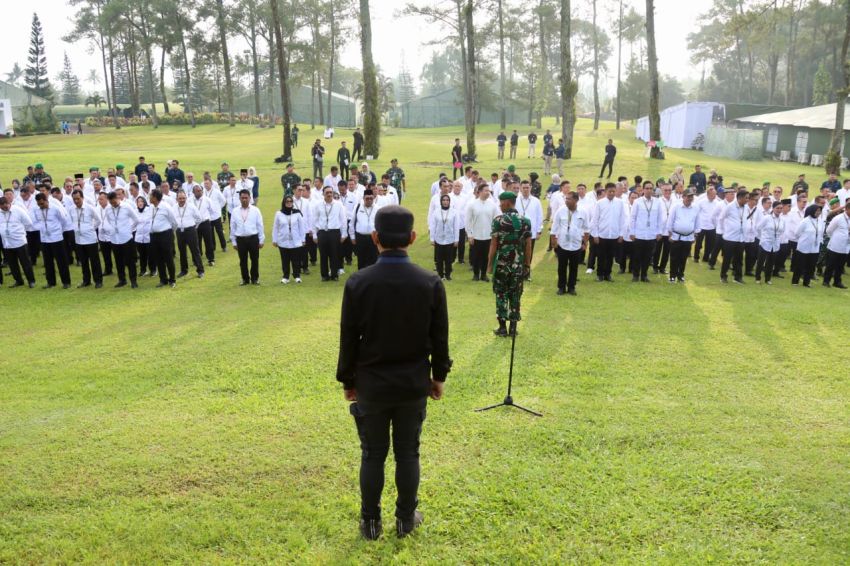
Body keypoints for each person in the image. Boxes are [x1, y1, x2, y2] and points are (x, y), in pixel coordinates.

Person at [336, 204, 450, 541]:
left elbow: (348, 337)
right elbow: (439, 337)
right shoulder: (430, 282)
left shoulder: (358, 282)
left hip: (371, 384)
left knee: (372, 454)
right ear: (413, 238)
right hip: (413, 383)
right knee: (407, 453)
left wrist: (348, 381)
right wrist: (439, 376)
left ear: (374, 238)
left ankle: (370, 522)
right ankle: (405, 519)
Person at [488, 191, 532, 337]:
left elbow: (493, 246)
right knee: (515, 295)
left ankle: (502, 328)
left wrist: (489, 265)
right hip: (518, 266)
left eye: (501, 202)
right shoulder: (525, 221)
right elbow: (528, 246)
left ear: (507, 202)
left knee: (501, 294)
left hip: (501, 265)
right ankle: (513, 328)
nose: (500, 205)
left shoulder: (498, 221)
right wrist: (527, 265)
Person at [550, 190, 589, 296]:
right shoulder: (561, 211)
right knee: (561, 267)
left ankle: (571, 287)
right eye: (566, 199)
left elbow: (586, 229)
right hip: (562, 244)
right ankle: (561, 287)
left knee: (574, 267)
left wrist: (585, 243)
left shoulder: (583, 212)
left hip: (576, 245)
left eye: (569, 199)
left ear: (576, 200)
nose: (566, 201)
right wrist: (554, 242)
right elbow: (554, 228)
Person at [33, 193, 72, 289]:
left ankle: (66, 282)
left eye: (42, 203)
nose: (40, 206)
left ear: (46, 200)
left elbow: (64, 220)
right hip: (44, 239)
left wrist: (57, 230)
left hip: (56, 238)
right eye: (39, 204)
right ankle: (51, 282)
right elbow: (35, 222)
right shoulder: (36, 210)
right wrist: (42, 229)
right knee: (47, 262)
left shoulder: (55, 208)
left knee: (61, 261)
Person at [628, 181, 664, 282]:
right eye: (647, 188)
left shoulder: (658, 202)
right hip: (639, 234)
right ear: (643, 190)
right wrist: (632, 232)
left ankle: (644, 275)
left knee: (648, 257)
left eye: (650, 188)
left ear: (653, 190)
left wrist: (659, 232)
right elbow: (633, 218)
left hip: (651, 234)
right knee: (637, 256)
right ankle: (636, 275)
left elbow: (660, 218)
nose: (649, 190)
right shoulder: (637, 201)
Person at [590, 182, 626, 282]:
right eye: (609, 191)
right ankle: (600, 274)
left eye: (613, 191)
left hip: (614, 235)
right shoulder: (600, 203)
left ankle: (608, 274)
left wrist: (621, 234)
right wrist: (595, 235)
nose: (611, 193)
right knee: (601, 256)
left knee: (611, 257)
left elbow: (622, 219)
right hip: (602, 234)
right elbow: (595, 220)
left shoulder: (620, 203)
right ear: (605, 191)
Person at [312, 186, 348, 282]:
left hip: (334, 232)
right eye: (327, 192)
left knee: (334, 254)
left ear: (333, 193)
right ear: (323, 193)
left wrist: (344, 234)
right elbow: (314, 220)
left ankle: (334, 274)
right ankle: (324, 275)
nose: (329, 194)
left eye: (330, 192)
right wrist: (315, 234)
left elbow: (343, 220)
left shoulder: (339, 205)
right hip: (322, 232)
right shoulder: (318, 205)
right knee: (323, 255)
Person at [69, 189, 103, 288]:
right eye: (74, 199)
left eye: (78, 199)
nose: (76, 201)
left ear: (82, 198)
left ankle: (98, 281)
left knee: (94, 261)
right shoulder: (71, 209)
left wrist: (91, 228)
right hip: (79, 240)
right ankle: (86, 280)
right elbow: (71, 221)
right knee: (83, 262)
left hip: (90, 239)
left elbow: (98, 220)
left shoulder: (89, 208)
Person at [0, 196, 36, 288]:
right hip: (7, 243)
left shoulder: (18, 210)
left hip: (19, 242)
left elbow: (28, 223)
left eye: (6, 205)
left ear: (9, 203)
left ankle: (31, 281)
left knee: (25, 263)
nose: (5, 207)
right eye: (2, 206)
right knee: (13, 264)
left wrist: (20, 232)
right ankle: (18, 281)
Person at [106, 191, 140, 288]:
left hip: (126, 238)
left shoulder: (126, 207)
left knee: (130, 261)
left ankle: (133, 281)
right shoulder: (108, 209)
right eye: (111, 203)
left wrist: (129, 229)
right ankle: (122, 280)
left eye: (114, 202)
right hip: (114, 239)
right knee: (118, 261)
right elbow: (109, 220)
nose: (113, 204)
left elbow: (136, 219)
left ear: (118, 198)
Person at [231, 189, 264, 285]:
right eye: (242, 198)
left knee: (254, 259)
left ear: (250, 198)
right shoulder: (235, 211)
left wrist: (261, 239)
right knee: (243, 260)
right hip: (240, 239)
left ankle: (255, 278)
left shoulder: (255, 210)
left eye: (246, 198)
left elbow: (260, 225)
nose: (244, 200)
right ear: (239, 198)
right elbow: (232, 227)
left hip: (253, 238)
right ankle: (245, 279)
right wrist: (233, 241)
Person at [466, 185, 499, 282]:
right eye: (485, 190)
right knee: (475, 257)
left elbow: (496, 219)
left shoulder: (492, 205)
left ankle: (484, 274)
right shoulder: (472, 205)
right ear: (479, 192)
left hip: (488, 236)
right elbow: (468, 221)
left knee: (486, 256)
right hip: (476, 236)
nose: (488, 192)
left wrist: (495, 233)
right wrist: (470, 234)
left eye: (488, 191)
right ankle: (476, 274)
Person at [666, 189, 700, 283]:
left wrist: (695, 235)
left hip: (688, 237)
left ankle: (680, 275)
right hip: (676, 236)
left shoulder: (695, 208)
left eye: (691, 196)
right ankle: (672, 275)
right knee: (674, 257)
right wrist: (670, 235)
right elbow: (670, 221)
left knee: (684, 257)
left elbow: (697, 222)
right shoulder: (676, 206)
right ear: (683, 197)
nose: (690, 198)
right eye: (688, 196)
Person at [148, 189, 179, 288]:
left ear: (155, 197)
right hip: (154, 236)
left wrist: (169, 233)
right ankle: (163, 279)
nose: (149, 197)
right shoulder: (152, 207)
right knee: (158, 259)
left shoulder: (166, 207)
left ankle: (172, 279)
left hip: (165, 235)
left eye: (151, 196)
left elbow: (174, 222)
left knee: (168, 258)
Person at [272, 195, 306, 284]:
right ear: (284, 203)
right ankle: (285, 276)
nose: (289, 203)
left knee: (296, 260)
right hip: (283, 241)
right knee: (285, 260)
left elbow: (302, 227)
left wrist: (303, 239)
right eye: (287, 201)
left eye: (291, 201)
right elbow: (275, 227)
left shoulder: (297, 213)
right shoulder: (279, 214)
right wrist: (274, 240)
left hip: (296, 241)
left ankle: (297, 275)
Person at [721, 189, 749, 284]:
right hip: (730, 238)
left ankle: (738, 277)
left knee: (739, 259)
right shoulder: (730, 206)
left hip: (741, 238)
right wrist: (723, 231)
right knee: (727, 259)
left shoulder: (746, 207)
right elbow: (721, 218)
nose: (747, 200)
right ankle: (723, 276)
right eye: (746, 198)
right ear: (740, 198)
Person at [516, 180, 543, 281]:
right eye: (524, 188)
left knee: (528, 253)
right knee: (519, 253)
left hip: (530, 233)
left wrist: (539, 230)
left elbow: (539, 216)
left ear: (530, 188)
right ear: (520, 188)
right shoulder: (516, 200)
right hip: (518, 232)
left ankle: (527, 274)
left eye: (528, 187)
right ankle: (518, 273)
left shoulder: (536, 201)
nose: (526, 189)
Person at [429, 194, 460, 280]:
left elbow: (456, 227)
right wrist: (432, 238)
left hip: (450, 239)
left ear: (449, 202)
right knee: (439, 259)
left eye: (447, 200)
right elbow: (433, 226)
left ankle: (448, 274)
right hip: (438, 239)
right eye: (444, 200)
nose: (445, 202)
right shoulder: (436, 212)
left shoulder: (454, 212)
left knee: (448, 259)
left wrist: (456, 239)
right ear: (441, 202)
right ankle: (440, 274)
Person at [754, 201, 785, 285]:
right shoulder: (767, 217)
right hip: (765, 242)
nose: (779, 210)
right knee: (761, 261)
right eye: (777, 208)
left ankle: (768, 278)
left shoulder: (782, 219)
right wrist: (763, 237)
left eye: (781, 208)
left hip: (775, 244)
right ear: (773, 208)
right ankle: (757, 277)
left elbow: (782, 231)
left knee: (771, 262)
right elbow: (758, 227)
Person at [792, 204, 823, 287]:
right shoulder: (805, 221)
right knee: (800, 265)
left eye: (819, 211)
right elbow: (797, 233)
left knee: (811, 266)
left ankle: (806, 282)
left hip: (815, 248)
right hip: (804, 247)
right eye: (817, 211)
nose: (818, 213)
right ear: (812, 211)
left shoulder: (820, 221)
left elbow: (821, 233)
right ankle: (795, 281)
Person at [823, 201, 850, 288]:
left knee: (840, 266)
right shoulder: (838, 218)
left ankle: (837, 281)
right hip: (835, 246)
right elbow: (828, 231)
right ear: (847, 209)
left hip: (845, 246)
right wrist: (836, 238)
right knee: (831, 264)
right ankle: (826, 281)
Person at [351, 189, 380, 269]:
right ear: (363, 198)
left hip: (373, 238)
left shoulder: (377, 209)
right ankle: (361, 278)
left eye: (371, 198)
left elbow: (381, 225)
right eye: (367, 198)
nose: (369, 200)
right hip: (360, 237)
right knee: (361, 259)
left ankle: (373, 278)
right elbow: (352, 223)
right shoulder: (357, 208)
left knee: (374, 258)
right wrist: (353, 237)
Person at [191, 184, 217, 266]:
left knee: (208, 241)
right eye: (197, 191)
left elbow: (213, 211)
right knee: (196, 242)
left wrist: (208, 219)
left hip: (205, 223)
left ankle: (211, 259)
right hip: (194, 224)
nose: (199, 192)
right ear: (193, 192)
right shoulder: (189, 200)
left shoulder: (207, 200)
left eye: (200, 191)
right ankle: (196, 260)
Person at [134, 196, 153, 277]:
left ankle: (153, 270)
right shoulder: (135, 211)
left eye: (141, 201)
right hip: (139, 237)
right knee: (142, 255)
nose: (140, 203)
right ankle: (143, 270)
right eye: (138, 202)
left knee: (150, 255)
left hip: (148, 236)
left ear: (144, 202)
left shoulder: (149, 210)